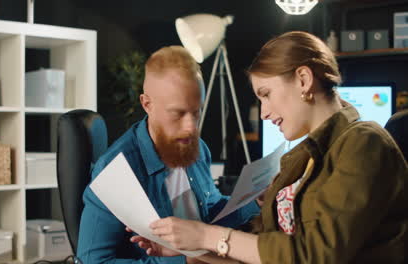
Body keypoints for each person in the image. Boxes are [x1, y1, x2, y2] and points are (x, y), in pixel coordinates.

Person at [132, 31, 408, 264]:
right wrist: (189, 249)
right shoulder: (303, 157)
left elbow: (314, 254)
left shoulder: (365, 142)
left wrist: (206, 235)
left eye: (266, 95)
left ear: (303, 80)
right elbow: (265, 252)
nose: (263, 113)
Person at [77, 46, 261, 263]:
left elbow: (209, 214)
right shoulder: (114, 171)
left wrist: (255, 201)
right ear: (147, 104)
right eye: (178, 113)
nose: (191, 127)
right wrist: (182, 261)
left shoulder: (197, 148)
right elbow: (91, 260)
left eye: (196, 112)